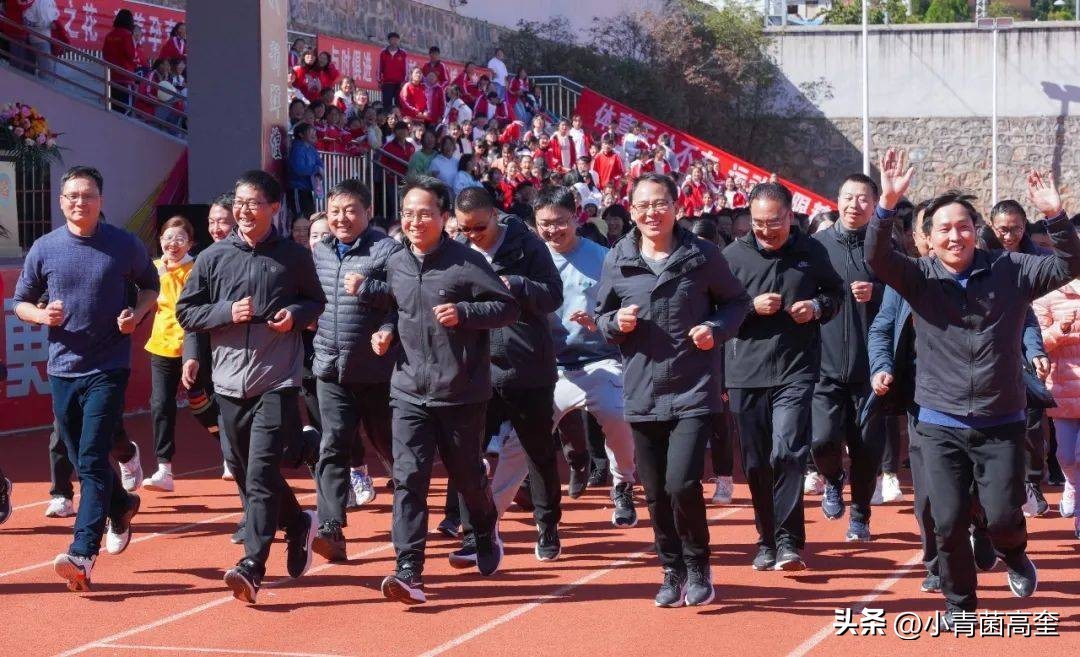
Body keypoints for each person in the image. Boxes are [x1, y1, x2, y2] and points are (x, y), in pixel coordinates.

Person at [864, 150, 1074, 621]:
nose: (954, 236)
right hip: (939, 421)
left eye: (963, 226)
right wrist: (887, 205)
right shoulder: (918, 277)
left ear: (976, 230)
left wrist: (1055, 216)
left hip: (1001, 419)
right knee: (947, 520)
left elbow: (1069, 265)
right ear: (928, 238)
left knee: (1002, 514)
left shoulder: (1010, 269)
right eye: (944, 229)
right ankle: (960, 604)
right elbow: (875, 256)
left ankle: (1013, 551)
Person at [595, 173, 749, 607]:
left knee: (682, 483)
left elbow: (736, 302)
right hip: (642, 390)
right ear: (631, 210)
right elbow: (602, 316)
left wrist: (716, 328)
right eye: (643, 205)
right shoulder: (618, 258)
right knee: (655, 491)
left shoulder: (702, 255)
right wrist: (615, 323)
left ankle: (698, 565)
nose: (652, 213)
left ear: (677, 208)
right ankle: (671, 568)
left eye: (660, 203)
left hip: (692, 387)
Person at [176, 170, 326, 604]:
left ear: (274, 208)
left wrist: (295, 316)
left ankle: (252, 565)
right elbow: (187, 312)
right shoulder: (213, 257)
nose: (243, 211)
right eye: (238, 203)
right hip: (227, 381)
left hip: (276, 378)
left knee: (260, 472)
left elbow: (315, 301)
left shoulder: (293, 256)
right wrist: (226, 312)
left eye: (253, 203)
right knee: (244, 470)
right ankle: (297, 523)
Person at [370, 176, 518, 605]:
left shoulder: (466, 262)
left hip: (460, 392)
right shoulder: (396, 262)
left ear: (444, 216)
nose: (415, 221)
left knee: (467, 476)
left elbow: (507, 308)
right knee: (409, 478)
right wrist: (385, 332)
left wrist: (465, 312)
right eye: (408, 214)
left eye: (425, 213)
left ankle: (484, 526)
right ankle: (408, 568)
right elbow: (397, 310)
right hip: (408, 389)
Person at [14, 166, 160, 591]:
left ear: (101, 200)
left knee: (93, 459)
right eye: (73, 196)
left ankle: (82, 553)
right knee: (80, 458)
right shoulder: (45, 248)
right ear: (62, 202)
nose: (81, 202)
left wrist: (137, 314)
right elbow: (21, 302)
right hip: (63, 368)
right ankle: (121, 505)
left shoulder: (123, 244)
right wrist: (43, 315)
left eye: (88, 195)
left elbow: (151, 287)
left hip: (109, 367)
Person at [722, 181, 843, 572]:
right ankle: (767, 539)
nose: (766, 230)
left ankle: (789, 541)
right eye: (758, 223)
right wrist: (750, 308)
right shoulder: (731, 257)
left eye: (774, 222)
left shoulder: (811, 251)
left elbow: (835, 294)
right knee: (757, 463)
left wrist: (817, 307)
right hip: (745, 372)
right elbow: (715, 312)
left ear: (790, 217)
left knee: (788, 452)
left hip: (796, 368)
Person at [445, 187, 564, 565]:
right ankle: (475, 534)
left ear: (495, 215)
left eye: (479, 227)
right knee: (467, 454)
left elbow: (553, 295)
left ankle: (548, 526)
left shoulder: (528, 246)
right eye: (464, 229)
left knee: (538, 452)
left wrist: (519, 285)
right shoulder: (458, 249)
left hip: (526, 364)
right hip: (475, 367)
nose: (472, 235)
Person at [310, 180, 400, 561]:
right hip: (331, 366)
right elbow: (308, 296)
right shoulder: (319, 251)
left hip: (375, 370)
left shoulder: (387, 250)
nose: (341, 218)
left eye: (350, 211)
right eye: (335, 211)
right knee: (333, 443)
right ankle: (330, 527)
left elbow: (404, 300)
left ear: (367, 212)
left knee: (390, 445)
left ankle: (410, 513)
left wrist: (369, 293)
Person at [809, 174, 887, 542]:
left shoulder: (882, 248)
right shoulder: (816, 247)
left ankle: (860, 515)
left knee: (867, 449)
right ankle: (832, 478)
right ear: (837, 200)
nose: (854, 205)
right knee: (821, 440)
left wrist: (877, 291)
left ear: (874, 205)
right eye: (848, 197)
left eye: (863, 198)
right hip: (823, 366)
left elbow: (908, 291)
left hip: (871, 370)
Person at [985, 201, 1055, 518]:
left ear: (1024, 226)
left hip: (1030, 344)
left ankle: (1032, 481)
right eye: (1003, 229)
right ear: (991, 226)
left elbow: (1029, 313)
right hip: (991, 351)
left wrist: (1036, 349)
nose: (1009, 235)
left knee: (1032, 422)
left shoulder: (1039, 260)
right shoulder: (981, 258)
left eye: (1015, 229)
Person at [142, 217, 205, 493]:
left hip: (194, 345)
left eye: (180, 238)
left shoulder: (197, 269)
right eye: (168, 238)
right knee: (160, 404)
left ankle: (231, 458)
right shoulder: (153, 269)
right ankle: (164, 468)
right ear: (160, 241)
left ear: (190, 243)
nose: (173, 244)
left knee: (206, 404)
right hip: (162, 345)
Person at [1032, 262, 1080, 538]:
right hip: (1064, 386)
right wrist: (1059, 330)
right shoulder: (1050, 295)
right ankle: (1071, 484)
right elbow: (1036, 343)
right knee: (1066, 454)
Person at [102, 9, 137, 112]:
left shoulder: (109, 35)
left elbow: (105, 54)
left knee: (112, 109)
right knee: (126, 111)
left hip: (111, 77)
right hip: (125, 78)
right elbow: (131, 55)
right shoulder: (127, 35)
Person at [287, 122, 323, 221]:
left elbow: (320, 164)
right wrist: (316, 170)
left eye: (314, 131)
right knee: (300, 217)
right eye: (310, 131)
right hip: (297, 187)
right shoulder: (297, 148)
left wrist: (319, 171)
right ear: (301, 134)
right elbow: (299, 168)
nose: (314, 134)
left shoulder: (312, 148)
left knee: (309, 217)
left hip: (308, 188)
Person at [378, 32, 407, 109]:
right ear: (389, 41)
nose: (394, 41)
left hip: (399, 83)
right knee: (387, 105)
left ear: (398, 41)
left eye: (396, 40)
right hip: (387, 82)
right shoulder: (383, 53)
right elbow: (379, 67)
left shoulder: (403, 53)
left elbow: (406, 68)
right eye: (392, 39)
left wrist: (404, 82)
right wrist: (379, 81)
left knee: (399, 105)